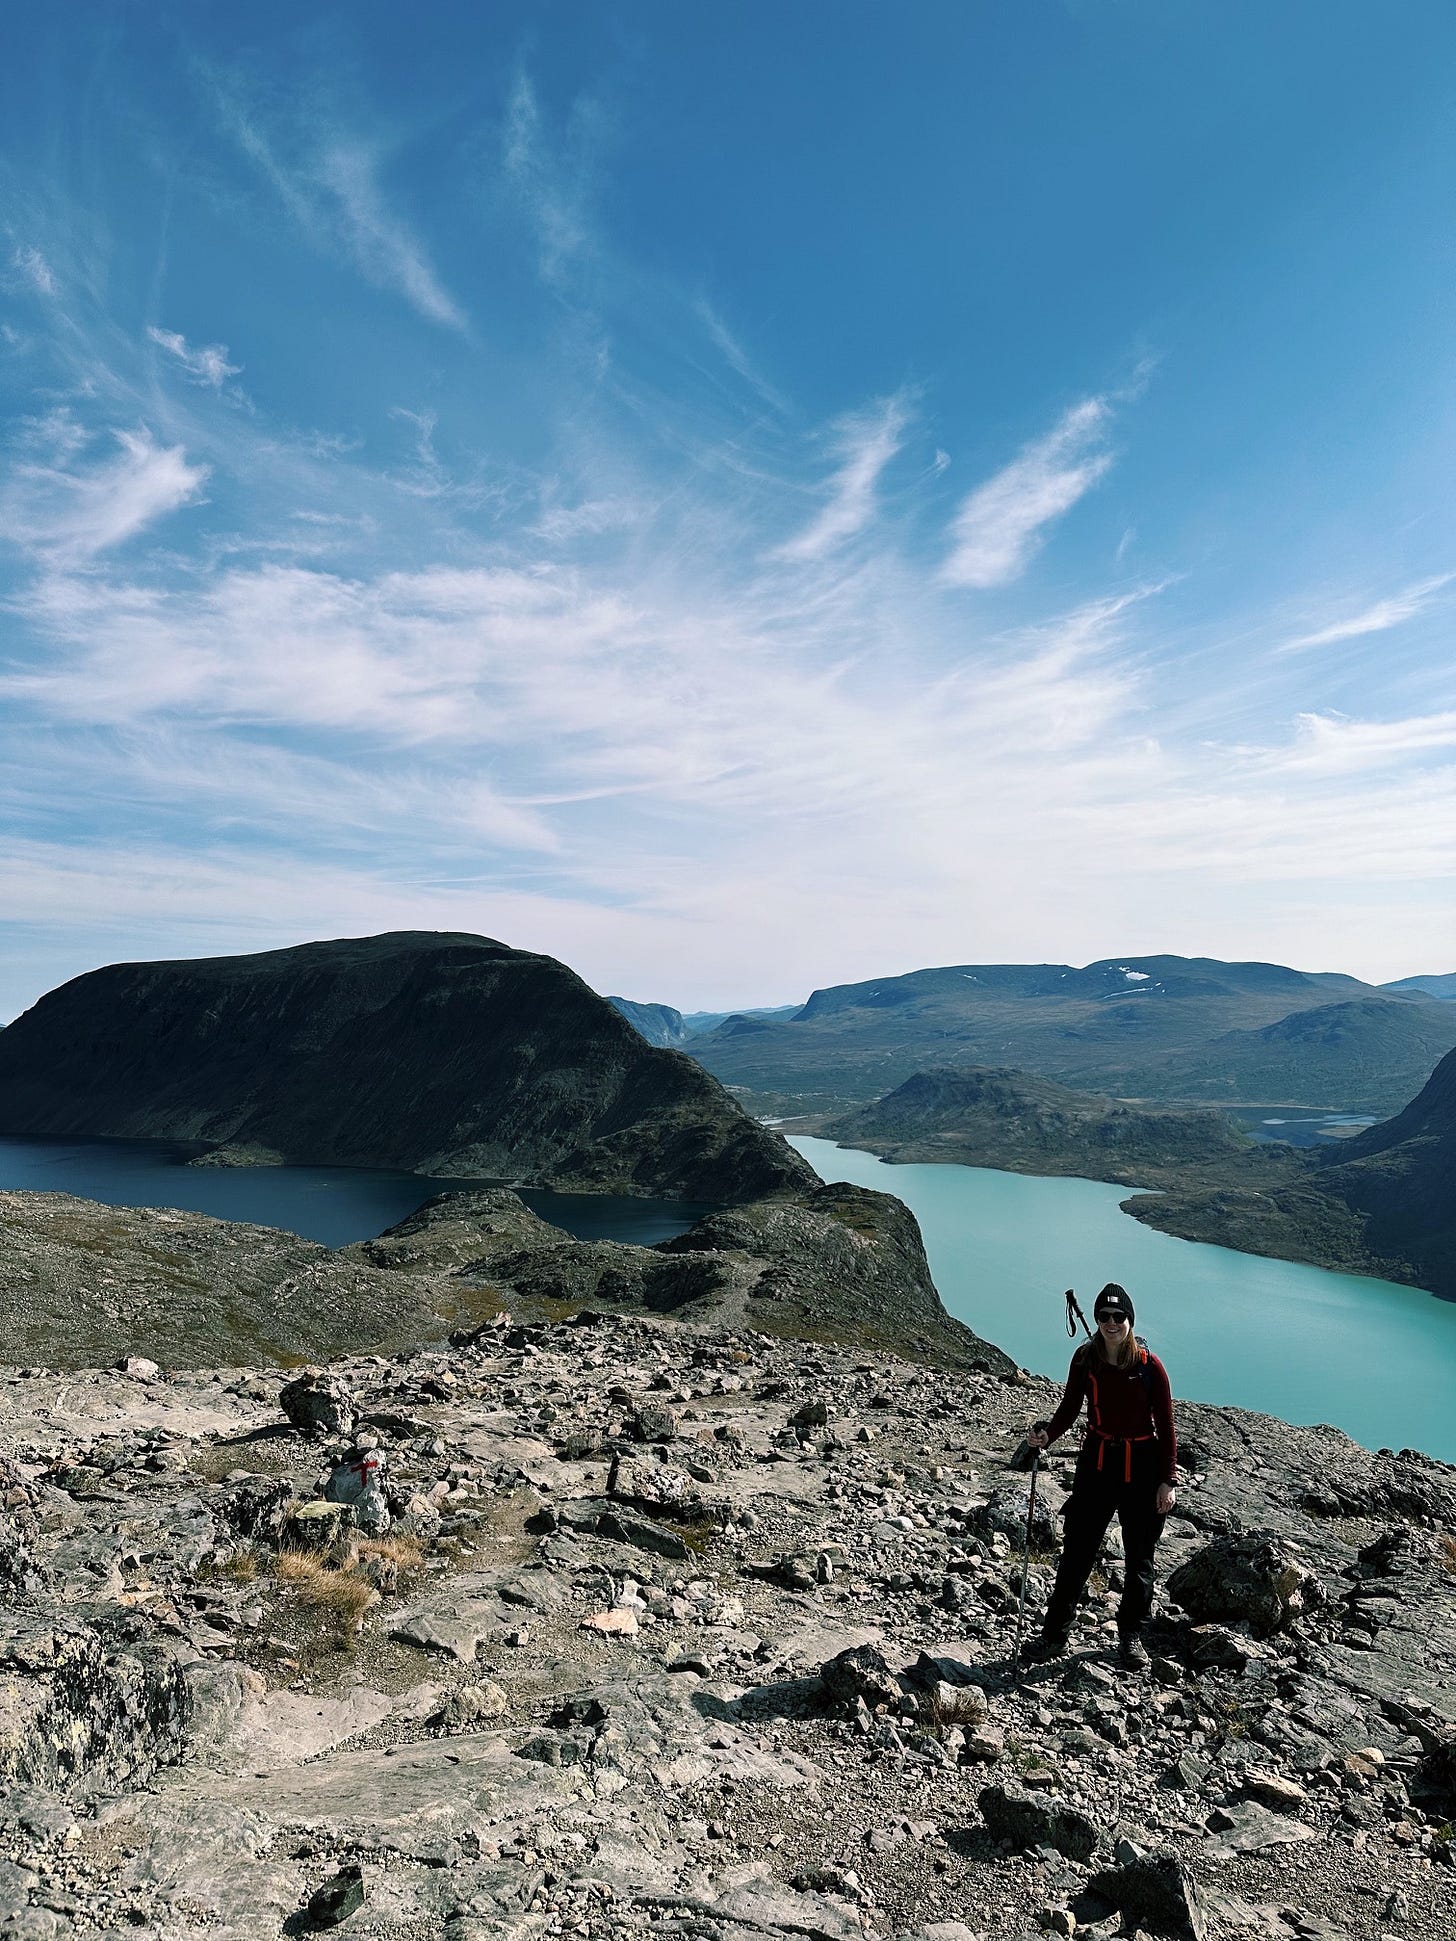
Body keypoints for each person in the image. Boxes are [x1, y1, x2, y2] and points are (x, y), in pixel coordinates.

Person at [1022, 1283, 1177, 1669]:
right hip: (1097, 1464)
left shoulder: (1148, 1365)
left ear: (1129, 1320)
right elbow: (1070, 1406)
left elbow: (1167, 1426)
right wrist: (1047, 1435)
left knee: (1140, 1558)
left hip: (1142, 1465)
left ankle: (1131, 1636)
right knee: (1077, 1553)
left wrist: (1167, 1480)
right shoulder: (1085, 1360)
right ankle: (1054, 1635)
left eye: (1118, 1316)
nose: (1111, 1323)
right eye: (1104, 1317)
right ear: (1097, 1320)